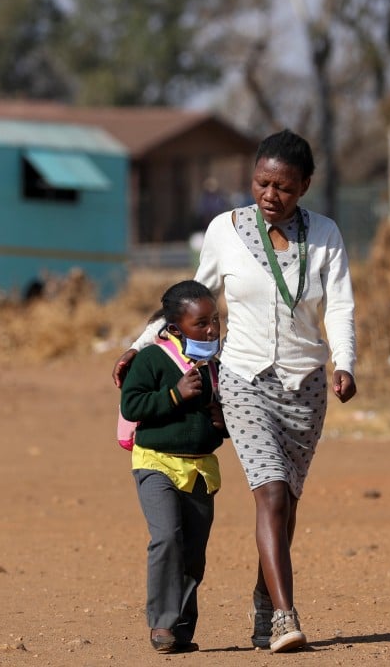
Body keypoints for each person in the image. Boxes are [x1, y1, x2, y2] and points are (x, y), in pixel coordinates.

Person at [112, 129, 357, 653]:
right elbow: (192, 299)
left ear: (305, 186)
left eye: (284, 187)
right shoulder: (225, 229)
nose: (271, 195)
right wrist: (139, 344)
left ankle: (265, 602)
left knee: (286, 503)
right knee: (267, 492)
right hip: (243, 378)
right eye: (262, 182)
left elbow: (339, 306)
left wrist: (345, 363)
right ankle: (286, 616)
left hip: (306, 384)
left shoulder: (328, 236)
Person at [119, 280, 229, 654]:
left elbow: (229, 416)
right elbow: (131, 406)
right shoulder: (151, 359)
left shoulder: (219, 363)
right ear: (176, 326)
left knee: (193, 552)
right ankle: (162, 624)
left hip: (201, 470)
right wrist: (174, 395)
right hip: (156, 463)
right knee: (166, 538)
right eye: (201, 324)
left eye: (215, 320)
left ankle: (181, 628)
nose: (211, 329)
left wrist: (222, 423)